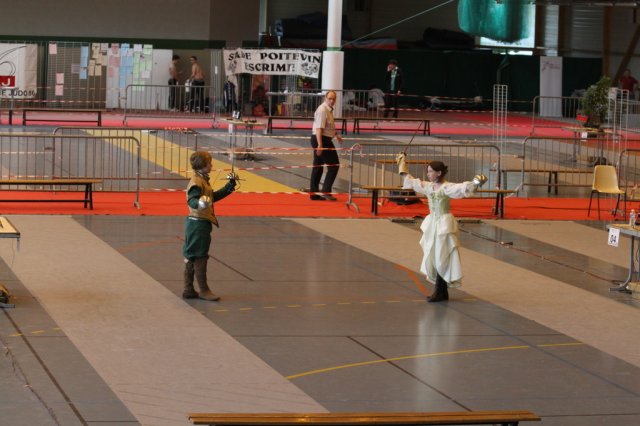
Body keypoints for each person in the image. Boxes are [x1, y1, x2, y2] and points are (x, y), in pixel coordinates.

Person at [396, 152, 487, 302]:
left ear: (439, 173)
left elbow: (461, 188)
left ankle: (439, 291)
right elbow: (411, 181)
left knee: (441, 256)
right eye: (428, 171)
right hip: (433, 223)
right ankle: (441, 292)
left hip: (444, 225)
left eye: (431, 171)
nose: (428, 174)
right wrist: (402, 163)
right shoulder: (428, 187)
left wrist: (476, 183)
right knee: (434, 254)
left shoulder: (446, 187)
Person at [182, 151, 237, 301]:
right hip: (198, 224)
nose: (212, 165)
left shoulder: (202, 179)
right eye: (210, 163)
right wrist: (202, 202)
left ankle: (188, 289)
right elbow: (192, 201)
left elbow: (212, 198)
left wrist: (230, 186)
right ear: (203, 165)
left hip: (197, 223)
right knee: (200, 255)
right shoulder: (196, 182)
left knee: (191, 255)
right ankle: (204, 290)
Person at [309, 90, 343, 201]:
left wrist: (336, 135)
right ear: (325, 98)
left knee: (318, 167)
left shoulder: (328, 110)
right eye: (330, 98)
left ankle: (314, 193)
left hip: (322, 139)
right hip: (321, 139)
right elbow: (319, 128)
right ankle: (326, 192)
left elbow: (328, 126)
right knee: (334, 165)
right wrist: (320, 145)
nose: (332, 101)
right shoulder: (322, 110)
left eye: (334, 99)